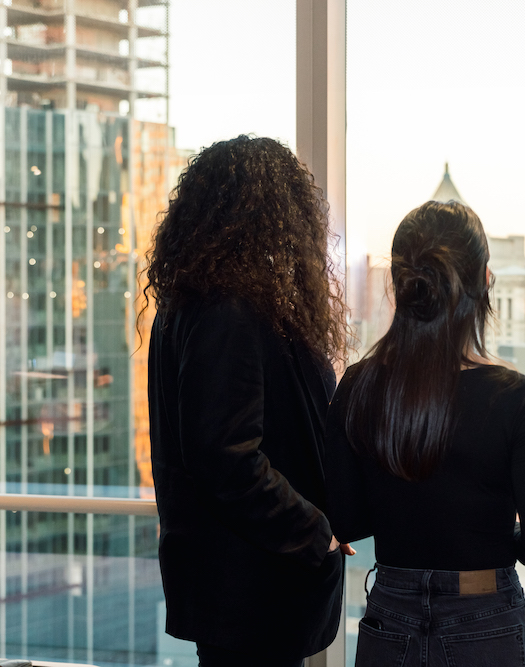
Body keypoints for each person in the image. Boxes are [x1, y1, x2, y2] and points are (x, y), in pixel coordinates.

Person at [326, 200, 525, 667]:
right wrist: (489, 534)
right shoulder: (518, 399)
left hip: (388, 621)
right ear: (484, 282)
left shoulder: (357, 385)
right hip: (486, 620)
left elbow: (346, 520)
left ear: (401, 285)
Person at [144, 136, 353, 667]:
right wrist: (316, 531)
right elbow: (226, 459)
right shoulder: (227, 309)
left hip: (240, 592)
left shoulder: (198, 301)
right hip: (251, 593)